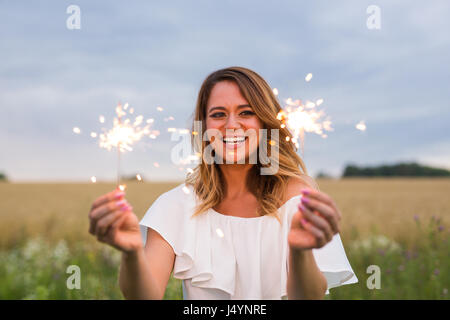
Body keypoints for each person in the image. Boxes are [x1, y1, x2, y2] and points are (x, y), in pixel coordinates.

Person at [88, 66, 358, 300]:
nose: (231, 125)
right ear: (203, 127)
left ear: (266, 121)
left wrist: (300, 252)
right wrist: (132, 253)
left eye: (245, 112)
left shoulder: (300, 200)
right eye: (218, 114)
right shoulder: (177, 205)